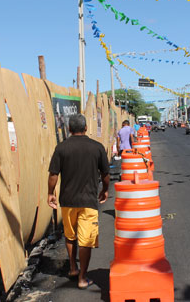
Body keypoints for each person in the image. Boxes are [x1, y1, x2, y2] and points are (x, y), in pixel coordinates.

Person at [47, 114, 110, 290]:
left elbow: (53, 174)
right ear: (86, 128)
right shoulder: (97, 148)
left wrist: (50, 193)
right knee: (86, 240)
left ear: (69, 129)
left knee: (70, 235)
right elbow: (105, 174)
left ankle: (73, 269)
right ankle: (83, 278)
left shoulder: (61, 148)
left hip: (67, 200)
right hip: (88, 201)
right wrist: (105, 190)